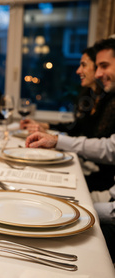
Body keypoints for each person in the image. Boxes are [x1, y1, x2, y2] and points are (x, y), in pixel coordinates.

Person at [26, 37, 115, 262]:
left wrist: (86, 208)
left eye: (103, 66)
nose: (95, 74)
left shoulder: (108, 101)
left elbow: (106, 148)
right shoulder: (95, 97)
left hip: (100, 185)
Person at [21, 47, 115, 190]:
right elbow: (76, 127)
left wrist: (54, 138)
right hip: (87, 167)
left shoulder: (110, 100)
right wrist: (46, 127)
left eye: (83, 65)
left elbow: (107, 148)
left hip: (101, 178)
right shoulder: (90, 96)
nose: (78, 71)